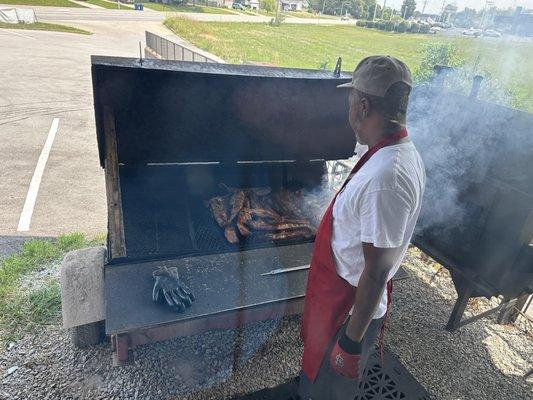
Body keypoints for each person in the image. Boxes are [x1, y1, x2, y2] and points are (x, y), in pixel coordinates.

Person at [296, 56, 426, 400]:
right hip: (337, 297)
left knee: (326, 391)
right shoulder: (390, 153)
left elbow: (377, 271)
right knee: (315, 381)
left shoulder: (388, 176)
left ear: (364, 105)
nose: (348, 106)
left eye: (351, 98)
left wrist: (350, 344)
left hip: (349, 310)